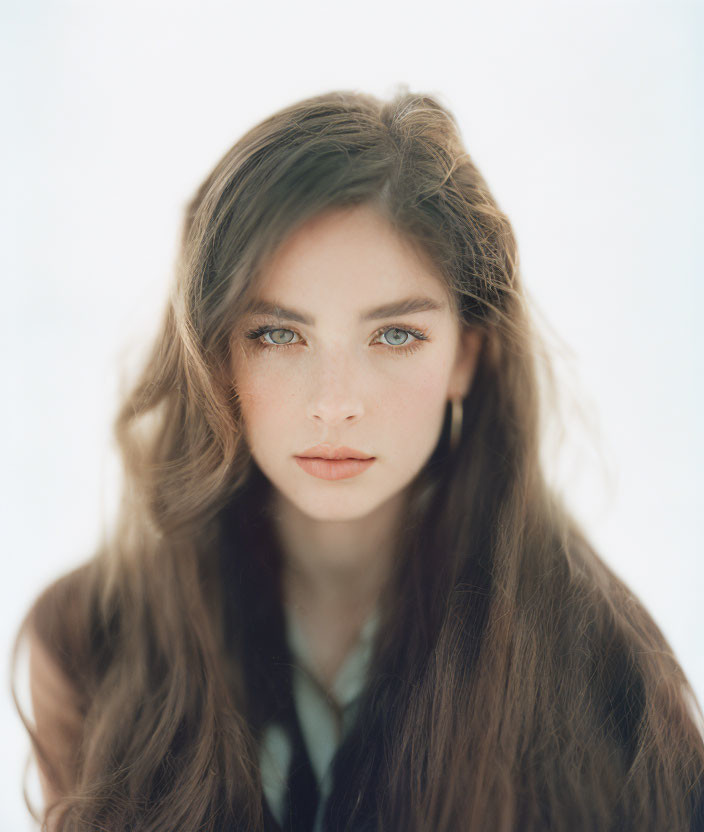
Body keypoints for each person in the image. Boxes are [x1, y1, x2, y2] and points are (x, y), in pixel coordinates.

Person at [13, 87, 704, 832]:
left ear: (466, 356)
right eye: (279, 335)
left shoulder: (600, 662)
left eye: (395, 335)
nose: (335, 402)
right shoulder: (92, 638)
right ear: (214, 356)